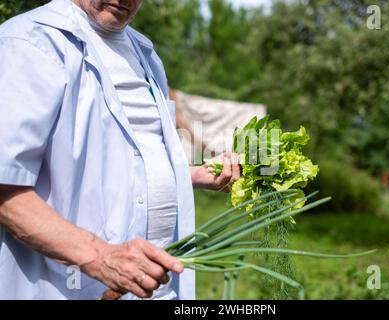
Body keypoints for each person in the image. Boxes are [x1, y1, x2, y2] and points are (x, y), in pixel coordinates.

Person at [0, 0, 241, 300]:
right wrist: (100, 257)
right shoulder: (28, 43)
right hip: (74, 286)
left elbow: (116, 157)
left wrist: (186, 175)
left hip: (158, 288)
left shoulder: (143, 51)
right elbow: (6, 188)